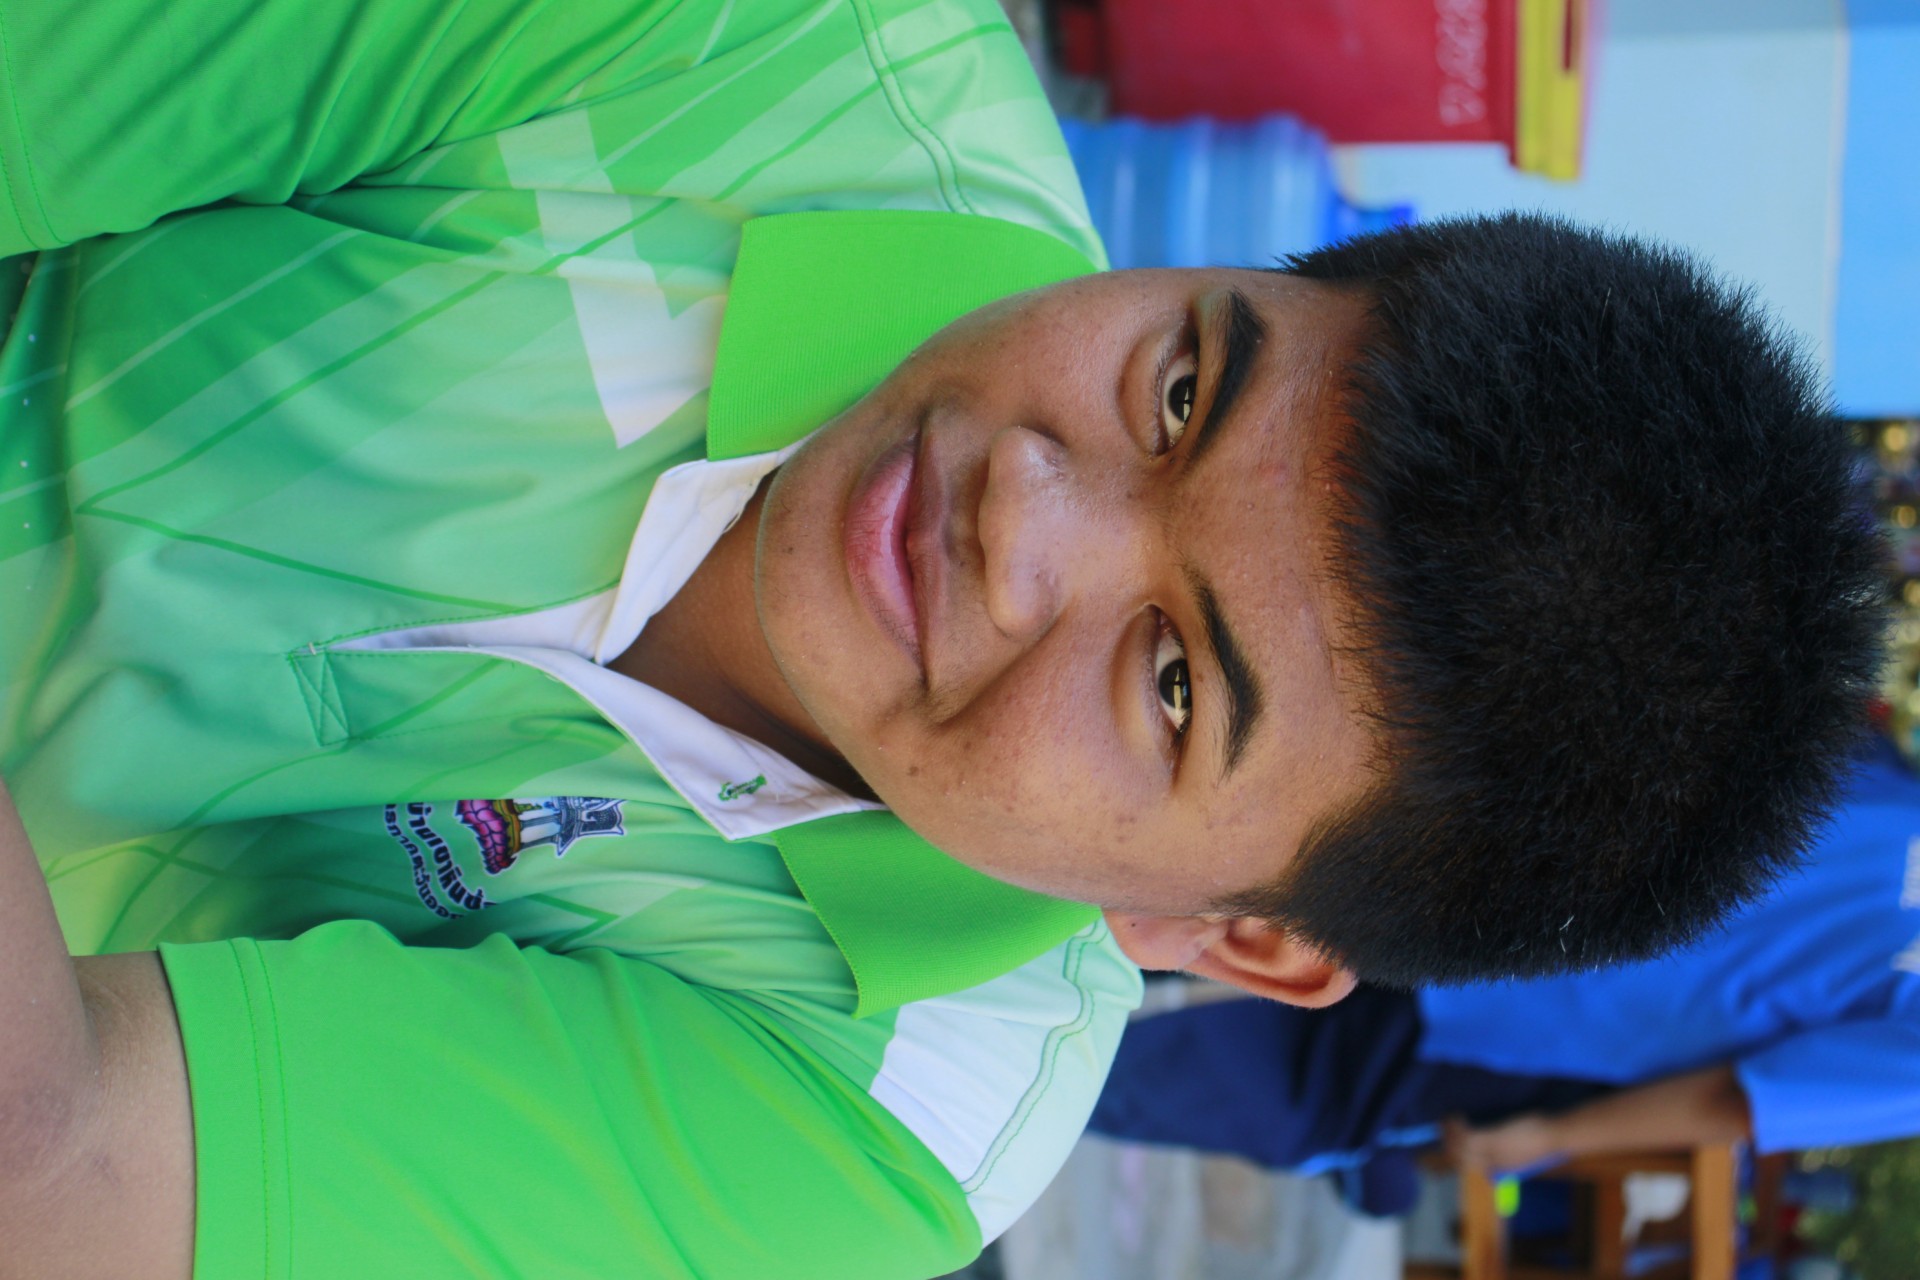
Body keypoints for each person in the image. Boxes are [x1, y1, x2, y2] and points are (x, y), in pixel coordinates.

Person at [0, 0, 1885, 1275]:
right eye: (1180, 389)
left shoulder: (907, 1110)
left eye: (1172, 683)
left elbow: (56, 1169)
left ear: (1230, 936)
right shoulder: (769, 51)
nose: (1019, 515)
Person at [1088, 745, 1920, 1217]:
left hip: (1503, 847)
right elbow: (1744, 1100)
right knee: (1273, 1085)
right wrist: (1551, 1137)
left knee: (1203, 887)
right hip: (1540, 1013)